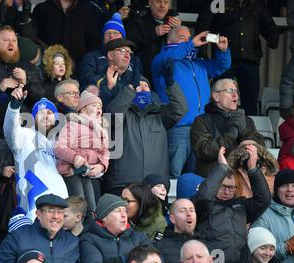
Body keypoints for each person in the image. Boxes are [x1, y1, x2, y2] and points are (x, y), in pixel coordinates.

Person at [152, 26, 231, 178]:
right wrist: (190, 45)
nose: (188, 41)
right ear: (170, 40)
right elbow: (168, 57)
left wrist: (223, 51)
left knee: (197, 176)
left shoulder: (198, 63)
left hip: (200, 128)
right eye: (183, 37)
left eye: (189, 37)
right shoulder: (163, 60)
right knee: (173, 175)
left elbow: (222, 66)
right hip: (178, 128)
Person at [103, 61, 187, 194]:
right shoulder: (122, 114)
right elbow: (112, 115)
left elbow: (180, 109)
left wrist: (171, 84)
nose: (142, 88)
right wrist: (131, 86)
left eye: (146, 86)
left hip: (156, 185)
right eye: (138, 85)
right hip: (123, 184)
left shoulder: (160, 115)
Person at [195, 0, 279, 116]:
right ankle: (221, 135)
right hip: (224, 60)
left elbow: (267, 23)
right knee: (221, 104)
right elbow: (204, 24)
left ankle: (248, 135)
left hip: (250, 59)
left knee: (250, 105)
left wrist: (274, 40)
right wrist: (204, 51)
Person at [191, 146, 271, 263]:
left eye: (231, 188)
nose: (227, 192)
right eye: (223, 187)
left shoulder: (241, 206)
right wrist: (222, 167)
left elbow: (264, 200)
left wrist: (253, 170)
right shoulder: (203, 207)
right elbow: (204, 197)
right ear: (215, 184)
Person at [3, 85, 68, 220]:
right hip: (34, 208)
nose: (46, 115)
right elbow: (9, 129)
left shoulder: (59, 144)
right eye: (41, 112)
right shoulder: (24, 135)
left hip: (61, 203)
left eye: (50, 113)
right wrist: (14, 107)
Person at [0, 194, 79, 263]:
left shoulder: (73, 242)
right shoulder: (17, 238)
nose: (56, 216)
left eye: (60, 212)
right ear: (38, 214)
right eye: (50, 211)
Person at [0, 25, 45, 134]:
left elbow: (40, 96)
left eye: (14, 41)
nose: (11, 44)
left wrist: (26, 82)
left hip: (24, 132)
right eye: (6, 40)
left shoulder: (28, 67)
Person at [190, 78, 264, 177]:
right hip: (215, 180)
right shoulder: (201, 121)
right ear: (216, 96)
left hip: (243, 180)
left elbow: (261, 150)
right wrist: (230, 135)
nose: (235, 95)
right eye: (230, 91)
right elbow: (203, 151)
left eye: (236, 91)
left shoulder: (247, 121)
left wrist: (244, 132)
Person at [54, 90, 109, 216]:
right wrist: (75, 158)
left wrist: (101, 166)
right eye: (94, 106)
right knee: (77, 205)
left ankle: (88, 232)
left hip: (87, 173)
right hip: (72, 170)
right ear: (83, 109)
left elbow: (105, 153)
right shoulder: (73, 124)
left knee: (91, 207)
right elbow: (59, 146)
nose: (98, 109)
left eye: (100, 107)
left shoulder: (101, 131)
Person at [79, 193, 151, 263]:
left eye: (125, 210)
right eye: (117, 210)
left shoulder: (139, 237)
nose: (124, 215)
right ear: (104, 217)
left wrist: (122, 260)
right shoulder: (89, 239)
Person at [32, 0, 101, 64]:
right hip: (48, 67)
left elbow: (93, 43)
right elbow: (36, 40)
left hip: (78, 70)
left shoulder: (86, 12)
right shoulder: (42, 9)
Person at [125, 0, 180, 82]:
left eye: (165, 2)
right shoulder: (137, 20)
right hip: (145, 77)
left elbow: (185, 48)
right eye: (158, 1)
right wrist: (153, 33)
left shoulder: (175, 22)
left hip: (170, 78)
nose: (162, 6)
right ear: (150, 3)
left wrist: (179, 30)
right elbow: (130, 44)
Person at [77, 12, 142, 91]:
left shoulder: (134, 60)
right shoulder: (92, 56)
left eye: (115, 33)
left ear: (122, 37)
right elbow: (85, 78)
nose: (111, 36)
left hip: (127, 99)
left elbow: (139, 81)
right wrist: (107, 82)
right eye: (107, 33)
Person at [251, 169, 294, 263]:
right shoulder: (264, 215)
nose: (290, 189)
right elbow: (256, 253)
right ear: (276, 190)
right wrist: (287, 247)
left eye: (293, 185)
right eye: (284, 185)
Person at [154, 198, 198, 263]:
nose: (189, 214)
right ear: (172, 219)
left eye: (192, 210)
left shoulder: (206, 243)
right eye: (183, 211)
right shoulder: (158, 247)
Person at [97, 37, 139, 109]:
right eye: (123, 51)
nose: (127, 55)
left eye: (129, 52)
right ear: (110, 55)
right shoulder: (97, 77)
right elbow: (100, 108)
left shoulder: (134, 78)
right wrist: (108, 88)